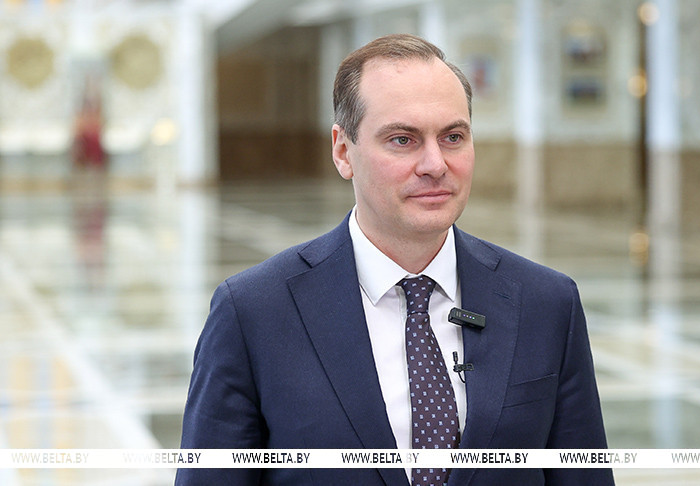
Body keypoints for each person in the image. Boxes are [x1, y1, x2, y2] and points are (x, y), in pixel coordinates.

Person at [176, 33, 613, 486]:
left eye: (453, 137)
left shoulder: (546, 303)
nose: (435, 164)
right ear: (343, 152)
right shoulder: (253, 313)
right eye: (403, 140)